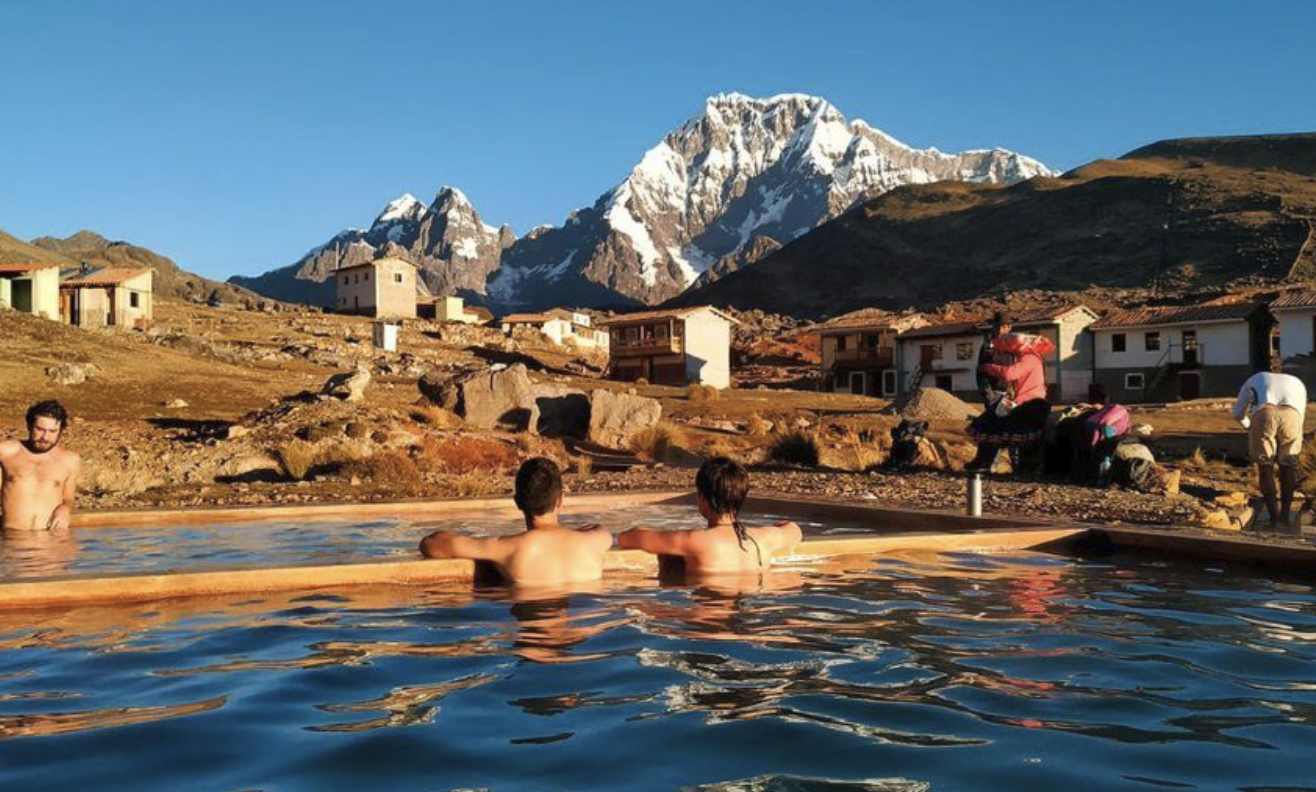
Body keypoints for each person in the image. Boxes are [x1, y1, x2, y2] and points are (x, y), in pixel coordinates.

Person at [418, 457, 612, 587]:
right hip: (587, 630)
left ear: (517, 502)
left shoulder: (506, 547)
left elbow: (432, 545)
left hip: (529, 628)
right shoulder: (593, 541)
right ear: (561, 499)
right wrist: (579, 532)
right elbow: (603, 532)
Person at [617, 457, 803, 578]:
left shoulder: (694, 540)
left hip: (704, 625)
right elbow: (794, 530)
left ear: (702, 498)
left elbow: (626, 538)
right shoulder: (764, 539)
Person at [966, 314, 1053, 473]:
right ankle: (993, 465)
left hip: (1025, 402)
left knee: (997, 429)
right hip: (1014, 399)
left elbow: (1010, 374)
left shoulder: (1028, 358)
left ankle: (996, 465)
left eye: (1004, 326)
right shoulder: (1029, 356)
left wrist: (988, 367)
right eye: (998, 326)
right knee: (1002, 432)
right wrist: (988, 394)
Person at [1233, 370, 1308, 530]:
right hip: (1292, 415)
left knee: (1265, 466)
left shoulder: (1254, 378)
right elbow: (1300, 415)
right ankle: (1286, 517)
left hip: (1264, 413)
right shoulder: (1297, 381)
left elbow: (1238, 412)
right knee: (1288, 466)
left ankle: (1273, 518)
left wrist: (1249, 426)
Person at [0, 400, 81, 532]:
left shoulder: (70, 460)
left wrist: (65, 508)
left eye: (52, 431)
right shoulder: (7, 452)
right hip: (14, 538)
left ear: (60, 431)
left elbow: (68, 498)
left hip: (51, 540)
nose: (45, 437)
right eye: (40, 429)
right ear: (29, 426)